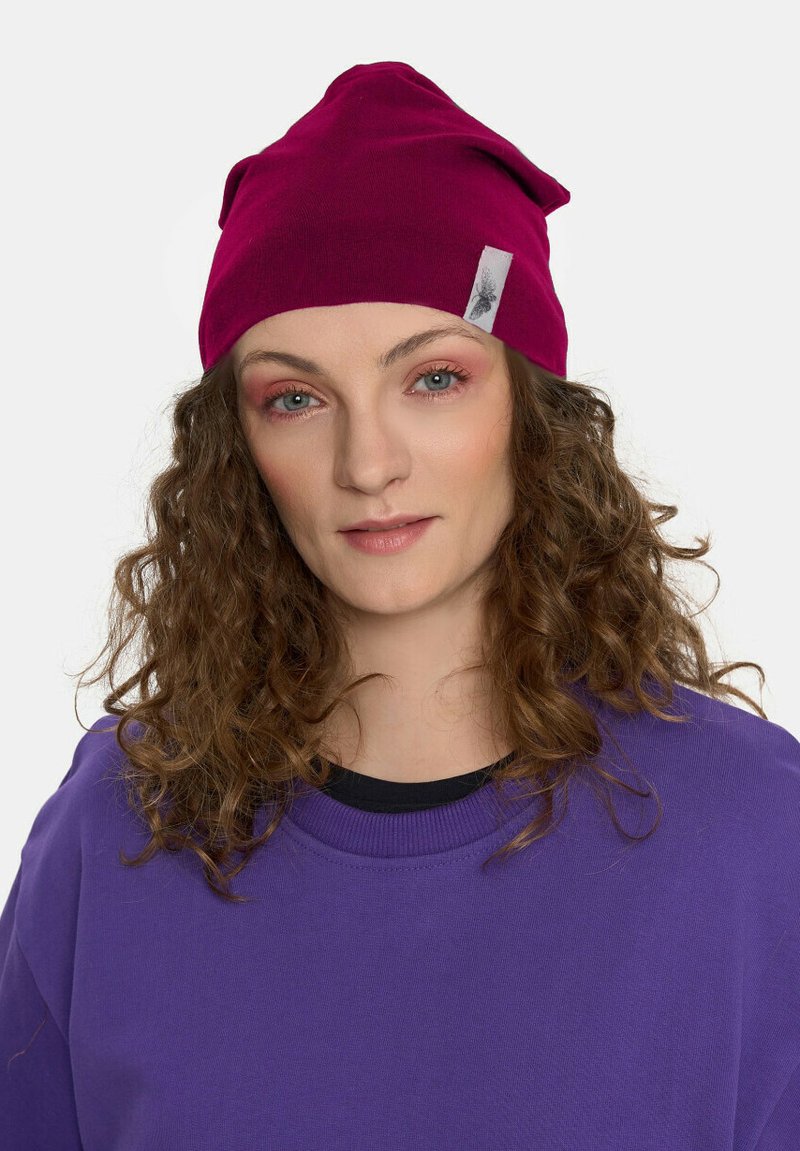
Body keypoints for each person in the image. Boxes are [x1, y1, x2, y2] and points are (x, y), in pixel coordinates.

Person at [1, 59, 798, 1150]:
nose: (366, 461)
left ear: (530, 411)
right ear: (238, 450)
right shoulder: (118, 830)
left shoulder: (754, 839)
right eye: (295, 397)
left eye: (432, 378)